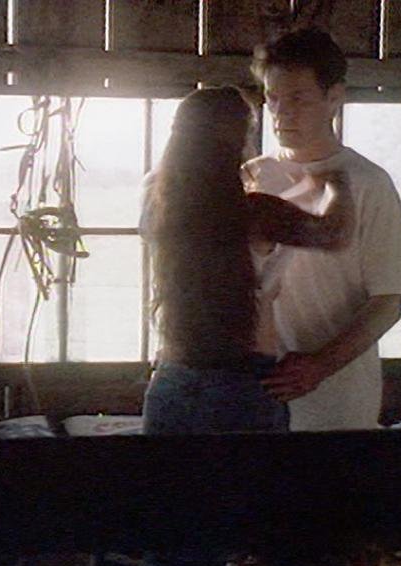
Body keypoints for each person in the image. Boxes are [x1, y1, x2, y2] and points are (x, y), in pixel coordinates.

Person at [140, 85, 354, 437]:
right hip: (240, 385)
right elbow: (334, 233)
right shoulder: (254, 213)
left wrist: (303, 188)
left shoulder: (157, 204)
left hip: (170, 381)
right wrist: (337, 184)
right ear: (240, 141)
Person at [244, 28, 401, 431]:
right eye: (273, 97)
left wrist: (319, 367)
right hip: (255, 394)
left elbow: (389, 301)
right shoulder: (250, 179)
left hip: (338, 403)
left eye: (298, 98)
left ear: (334, 97)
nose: (281, 112)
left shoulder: (367, 184)